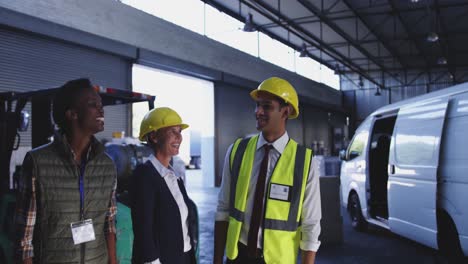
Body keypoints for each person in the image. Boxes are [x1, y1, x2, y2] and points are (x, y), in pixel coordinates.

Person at [213, 77, 322, 264]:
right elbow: (223, 210)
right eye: (257, 106)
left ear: (285, 111)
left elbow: (311, 224)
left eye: (267, 107)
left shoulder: (305, 162)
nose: (258, 112)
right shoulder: (237, 151)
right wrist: (216, 260)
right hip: (238, 257)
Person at [14, 78, 117, 264]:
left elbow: (109, 224)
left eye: (101, 104)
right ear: (72, 114)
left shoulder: (107, 165)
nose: (101, 110)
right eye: (93, 104)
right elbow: (24, 238)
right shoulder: (38, 162)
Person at [130, 107, 198, 264]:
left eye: (180, 131)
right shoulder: (145, 175)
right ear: (154, 136)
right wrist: (152, 261)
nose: (179, 137)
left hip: (184, 256)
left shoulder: (174, 176)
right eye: (172, 131)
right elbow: (143, 228)